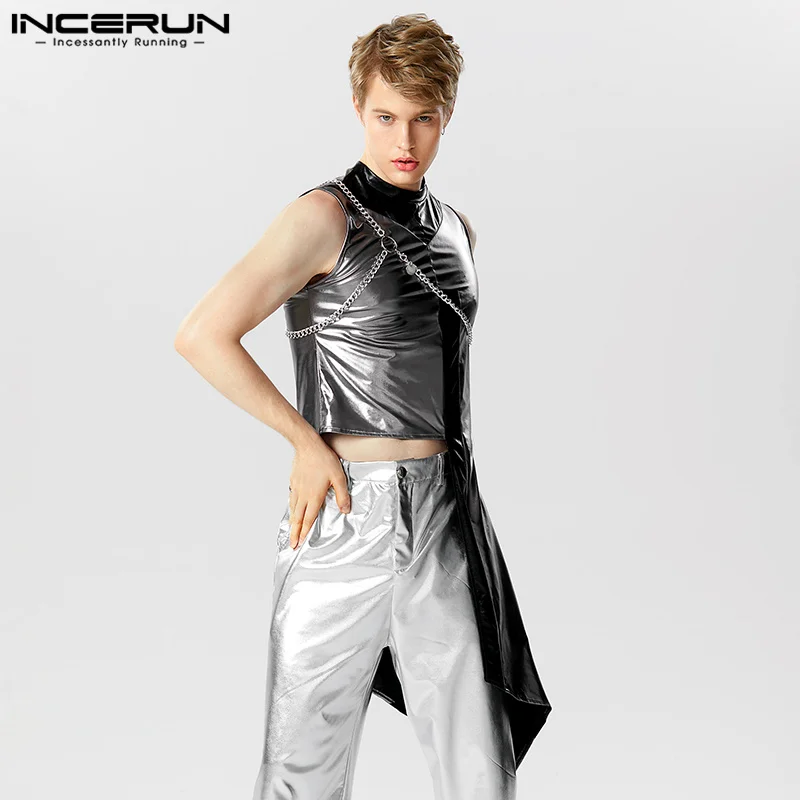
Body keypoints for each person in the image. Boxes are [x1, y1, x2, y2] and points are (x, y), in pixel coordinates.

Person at [174, 13, 551, 800]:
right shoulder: (322, 217)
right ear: (358, 109)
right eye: (385, 116)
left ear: (447, 114)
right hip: (344, 515)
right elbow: (203, 335)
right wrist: (304, 442)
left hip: (444, 514)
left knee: (481, 764)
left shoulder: (457, 230)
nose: (403, 138)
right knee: (301, 764)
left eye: (423, 118)